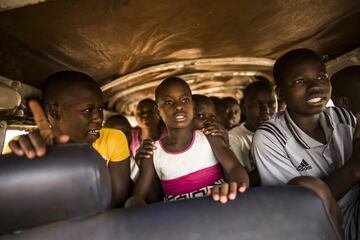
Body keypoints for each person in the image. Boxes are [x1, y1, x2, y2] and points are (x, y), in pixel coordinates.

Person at [251, 49, 359, 239]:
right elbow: (296, 207)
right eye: (300, 81)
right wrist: (355, 168)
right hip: (320, 226)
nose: (315, 87)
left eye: (321, 77)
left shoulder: (344, 117)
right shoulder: (270, 137)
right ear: (281, 93)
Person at [8, 71, 131, 207]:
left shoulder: (114, 139)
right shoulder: (27, 149)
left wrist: (76, 154)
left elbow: (115, 200)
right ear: (55, 112)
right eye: (88, 110)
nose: (99, 118)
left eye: (100, 109)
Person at [125, 77, 249, 206]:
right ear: (158, 111)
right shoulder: (152, 151)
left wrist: (236, 188)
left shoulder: (210, 137)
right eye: (168, 102)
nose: (178, 106)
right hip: (178, 222)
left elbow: (235, 168)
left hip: (218, 210)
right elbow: (141, 197)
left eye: (185, 100)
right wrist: (134, 202)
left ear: (192, 106)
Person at [229, 81, 277, 186]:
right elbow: (243, 183)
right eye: (257, 104)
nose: (266, 110)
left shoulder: (283, 132)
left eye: (271, 104)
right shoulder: (234, 138)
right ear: (244, 108)